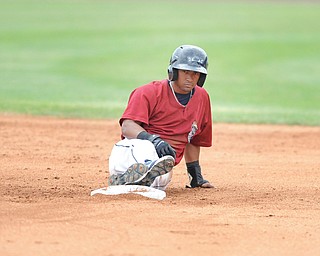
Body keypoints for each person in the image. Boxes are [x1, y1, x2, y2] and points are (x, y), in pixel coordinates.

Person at [108, 44, 214, 191]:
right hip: (131, 153)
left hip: (163, 163)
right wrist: (155, 141)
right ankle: (125, 175)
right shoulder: (148, 92)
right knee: (146, 149)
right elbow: (127, 126)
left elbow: (194, 138)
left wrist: (196, 177)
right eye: (185, 72)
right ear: (173, 72)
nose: (190, 78)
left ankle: (138, 179)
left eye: (195, 74)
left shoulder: (202, 97)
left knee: (162, 175)